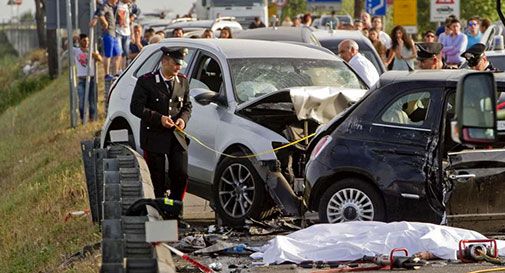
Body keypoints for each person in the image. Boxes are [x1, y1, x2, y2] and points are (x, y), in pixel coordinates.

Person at [130, 47, 192, 200]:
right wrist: (159, 119)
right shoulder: (146, 81)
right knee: (157, 178)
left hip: (176, 136)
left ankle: (176, 208)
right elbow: (136, 108)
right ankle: (158, 209)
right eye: (175, 64)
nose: (178, 67)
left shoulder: (182, 81)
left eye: (180, 64)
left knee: (180, 174)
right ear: (164, 62)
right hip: (154, 136)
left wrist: (182, 119)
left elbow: (187, 106)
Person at [90, 0, 122, 80]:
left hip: (113, 33)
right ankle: (107, 74)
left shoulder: (112, 7)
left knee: (118, 53)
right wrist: (105, 23)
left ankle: (115, 73)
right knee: (108, 54)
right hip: (108, 33)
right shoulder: (105, 6)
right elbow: (100, 14)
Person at [73, 34, 102, 122]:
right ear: (80, 41)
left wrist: (91, 53)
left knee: (92, 101)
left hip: (92, 79)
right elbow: (68, 47)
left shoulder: (92, 50)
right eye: (84, 41)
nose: (86, 43)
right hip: (81, 80)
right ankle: (83, 119)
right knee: (81, 102)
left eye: (88, 41)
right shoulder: (76, 51)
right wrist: (73, 38)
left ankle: (92, 119)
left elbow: (100, 59)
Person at [115, 0, 132, 71]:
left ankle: (125, 69)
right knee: (119, 52)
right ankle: (118, 70)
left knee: (126, 53)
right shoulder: (118, 5)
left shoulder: (129, 5)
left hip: (127, 32)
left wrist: (133, 16)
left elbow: (136, 10)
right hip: (118, 31)